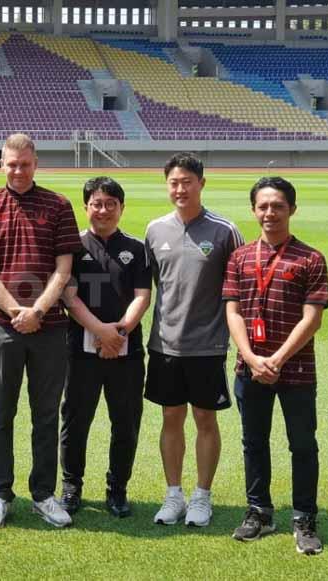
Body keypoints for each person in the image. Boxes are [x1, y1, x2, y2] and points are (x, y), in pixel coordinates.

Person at [0, 133, 82, 528]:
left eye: (25, 164)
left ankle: (44, 494)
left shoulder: (59, 205)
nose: (18, 171)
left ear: (36, 163)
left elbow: (63, 268)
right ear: (1, 164)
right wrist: (17, 310)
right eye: (11, 164)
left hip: (49, 328)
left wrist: (37, 310)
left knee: (46, 415)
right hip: (2, 327)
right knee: (1, 413)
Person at [223, 177, 328, 555]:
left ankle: (304, 516)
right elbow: (232, 311)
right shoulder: (239, 257)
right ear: (254, 210)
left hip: (296, 371)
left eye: (278, 206)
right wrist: (253, 359)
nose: (270, 213)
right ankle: (259, 511)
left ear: (292, 210)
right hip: (249, 369)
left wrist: (277, 359)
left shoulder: (311, 258)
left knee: (302, 444)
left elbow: (312, 319)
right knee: (254, 443)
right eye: (263, 206)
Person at [145, 152, 243, 528]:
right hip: (165, 344)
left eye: (187, 181)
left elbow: (239, 285)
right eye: (174, 182)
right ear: (166, 185)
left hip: (208, 345)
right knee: (170, 417)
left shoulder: (224, 230)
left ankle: (202, 495)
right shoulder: (155, 230)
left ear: (201, 183)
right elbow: (156, 285)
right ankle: (173, 495)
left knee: (205, 418)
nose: (180, 188)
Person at [59, 177, 151, 518]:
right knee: (76, 420)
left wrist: (120, 333)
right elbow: (69, 296)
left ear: (121, 208)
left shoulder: (137, 248)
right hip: (81, 350)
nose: (103, 210)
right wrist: (99, 331)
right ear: (86, 207)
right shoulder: (72, 247)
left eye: (111, 203)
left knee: (125, 422)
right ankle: (71, 486)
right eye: (97, 203)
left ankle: (118, 489)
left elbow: (143, 296)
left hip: (126, 350)